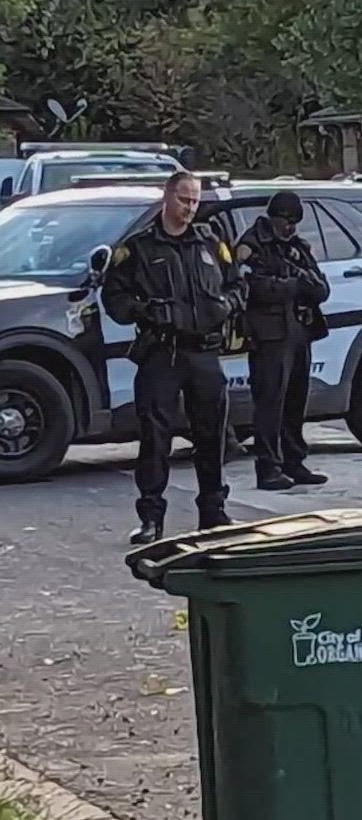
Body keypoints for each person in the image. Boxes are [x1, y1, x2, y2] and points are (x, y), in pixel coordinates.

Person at [103, 171, 246, 545]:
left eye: (195, 201)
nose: (190, 208)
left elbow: (237, 285)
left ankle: (213, 512)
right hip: (162, 354)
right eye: (184, 200)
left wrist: (225, 305)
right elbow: (114, 298)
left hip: (204, 352)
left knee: (212, 435)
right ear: (167, 197)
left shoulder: (210, 242)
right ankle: (151, 518)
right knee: (155, 438)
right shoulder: (139, 249)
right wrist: (145, 312)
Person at [236, 191, 331, 490]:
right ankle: (268, 467)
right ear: (272, 217)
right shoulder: (252, 245)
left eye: (295, 222)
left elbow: (320, 288)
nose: (290, 227)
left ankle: (294, 460)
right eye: (286, 221)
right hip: (269, 336)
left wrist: (302, 282)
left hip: (299, 331)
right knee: (270, 403)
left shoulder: (298, 248)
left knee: (295, 400)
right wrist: (294, 285)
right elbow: (255, 288)